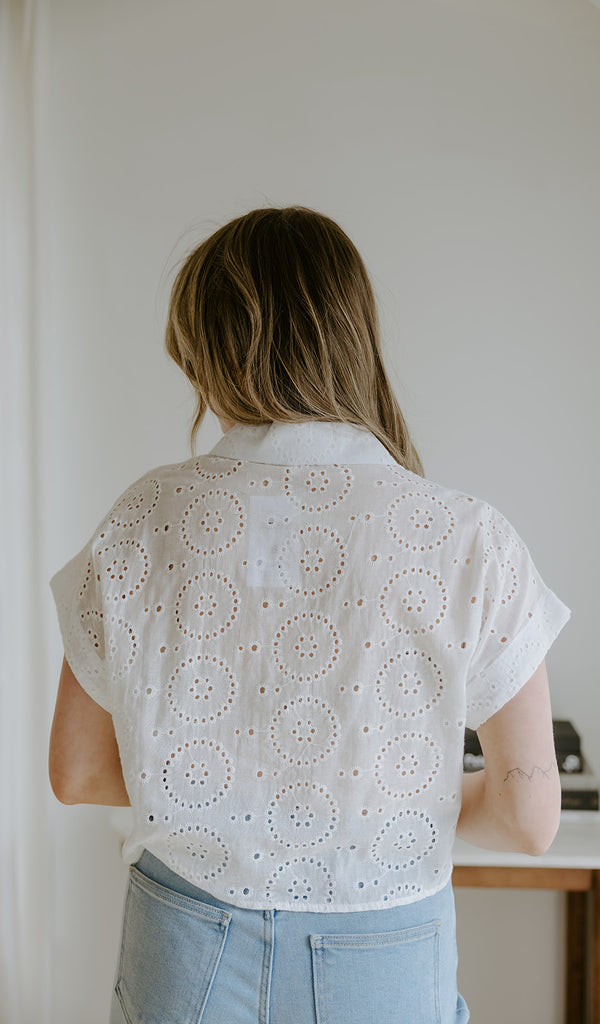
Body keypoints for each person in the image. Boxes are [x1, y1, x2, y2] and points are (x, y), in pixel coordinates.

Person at [49, 205, 571, 1024]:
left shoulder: (145, 520)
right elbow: (527, 818)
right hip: (384, 945)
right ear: (352, 338)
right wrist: (376, 798)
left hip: (186, 935)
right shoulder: (466, 536)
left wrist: (229, 796)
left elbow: (78, 771)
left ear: (205, 348)